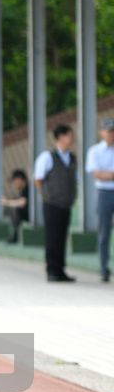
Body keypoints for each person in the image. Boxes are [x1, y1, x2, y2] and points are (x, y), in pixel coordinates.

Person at [35, 124, 78, 282]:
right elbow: (38, 179)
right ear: (60, 137)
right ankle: (52, 270)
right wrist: (47, 195)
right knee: (52, 237)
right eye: (69, 135)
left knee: (62, 237)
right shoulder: (47, 157)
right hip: (52, 204)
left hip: (66, 203)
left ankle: (60, 270)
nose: (71, 138)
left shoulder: (72, 157)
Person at [89, 120, 114, 282]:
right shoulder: (95, 151)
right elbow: (96, 173)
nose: (111, 134)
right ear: (102, 132)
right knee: (104, 232)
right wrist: (110, 175)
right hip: (104, 193)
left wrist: (108, 174)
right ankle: (104, 268)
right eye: (109, 131)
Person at [1, 169, 30, 244]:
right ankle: (14, 234)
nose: (14, 183)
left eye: (14, 180)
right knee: (11, 208)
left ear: (20, 179)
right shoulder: (23, 189)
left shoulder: (28, 188)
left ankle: (16, 235)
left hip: (34, 216)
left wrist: (7, 202)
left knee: (15, 209)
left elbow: (22, 203)